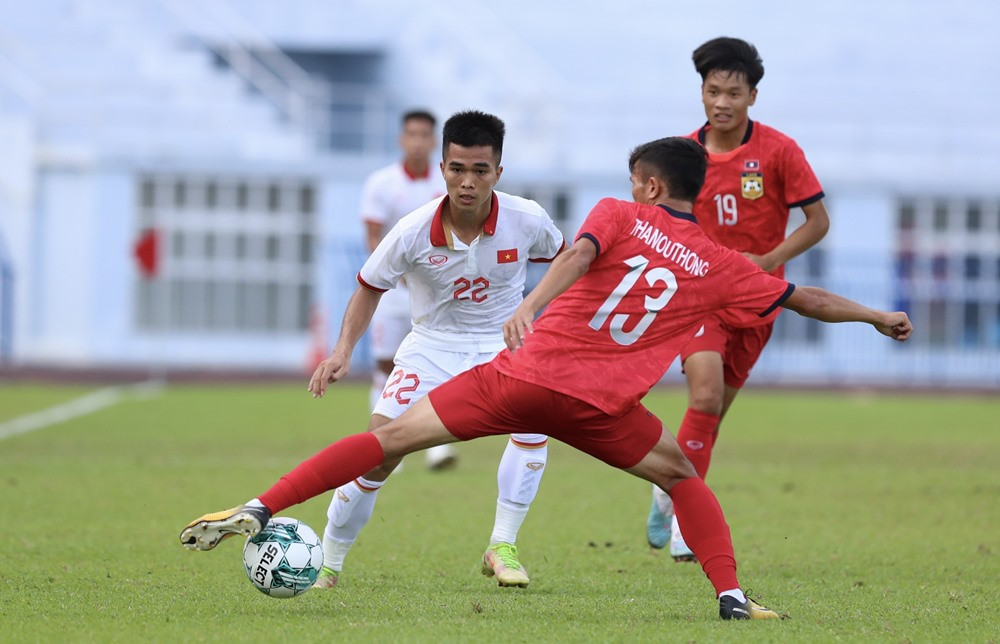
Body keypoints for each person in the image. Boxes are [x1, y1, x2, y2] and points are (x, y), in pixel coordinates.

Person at [180, 136, 911, 621]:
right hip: (602, 409)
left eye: (635, 180)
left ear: (650, 184)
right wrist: (876, 316)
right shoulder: (723, 266)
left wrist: (530, 304)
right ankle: (730, 595)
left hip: (522, 378)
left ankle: (261, 505)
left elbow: (579, 254)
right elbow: (805, 298)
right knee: (683, 475)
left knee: (390, 439)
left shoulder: (620, 212)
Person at [311, 110, 565, 589]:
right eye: (458, 169)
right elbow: (369, 286)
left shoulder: (527, 219)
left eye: (480, 171)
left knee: (535, 426)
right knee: (376, 451)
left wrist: (541, 316)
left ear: (498, 172)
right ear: (443, 167)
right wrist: (342, 350)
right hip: (432, 346)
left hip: (503, 344)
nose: (468, 182)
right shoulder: (411, 229)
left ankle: (502, 545)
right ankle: (328, 561)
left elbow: (566, 262)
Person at [646, 37, 833, 560]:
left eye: (733, 93)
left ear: (753, 95)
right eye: (713, 91)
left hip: (757, 300)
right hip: (699, 298)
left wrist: (769, 260)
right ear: (701, 93)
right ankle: (686, 524)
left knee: (711, 415)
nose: (722, 102)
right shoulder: (683, 156)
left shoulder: (779, 151)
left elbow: (817, 222)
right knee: (704, 396)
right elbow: (659, 225)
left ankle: (665, 489)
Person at [359, 109, 457, 471]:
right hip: (394, 290)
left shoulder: (449, 182)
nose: (417, 142)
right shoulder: (381, 183)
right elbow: (373, 235)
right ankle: (383, 446)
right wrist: (393, 270)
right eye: (411, 134)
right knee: (386, 364)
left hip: (436, 290)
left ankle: (436, 448)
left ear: (434, 142)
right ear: (402, 138)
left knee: (439, 362)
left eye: (424, 135)